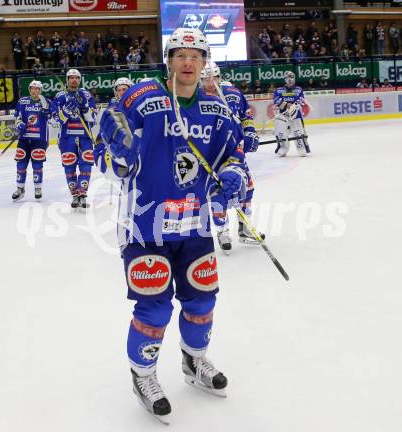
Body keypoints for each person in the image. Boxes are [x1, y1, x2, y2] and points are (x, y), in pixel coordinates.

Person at [98, 27, 246, 422]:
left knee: (202, 301)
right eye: (180, 55)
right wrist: (118, 157)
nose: (188, 62)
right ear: (168, 60)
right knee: (154, 307)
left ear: (205, 62)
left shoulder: (217, 111)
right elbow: (105, 153)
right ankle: (143, 376)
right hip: (145, 226)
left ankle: (194, 360)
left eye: (195, 56)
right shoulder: (141, 98)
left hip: (195, 226)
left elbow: (233, 154)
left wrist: (233, 175)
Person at [200, 61, 262, 252]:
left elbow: (245, 116)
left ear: (220, 77)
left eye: (214, 78)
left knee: (247, 187)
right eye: (206, 79)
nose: (211, 83)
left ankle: (245, 228)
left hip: (235, 151)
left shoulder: (233, 93)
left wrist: (250, 132)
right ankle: (222, 230)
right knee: (218, 192)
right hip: (211, 155)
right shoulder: (195, 98)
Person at [51, 69, 97, 210]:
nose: (74, 80)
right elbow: (55, 120)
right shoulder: (60, 96)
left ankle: (82, 193)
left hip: (85, 136)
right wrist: (66, 111)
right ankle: (74, 195)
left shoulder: (86, 95)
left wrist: (85, 107)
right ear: (67, 80)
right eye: (71, 77)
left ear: (80, 80)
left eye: (77, 77)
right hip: (67, 137)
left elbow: (93, 118)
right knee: (69, 166)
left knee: (86, 164)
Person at [12, 80, 51, 201]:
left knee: (37, 165)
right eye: (33, 88)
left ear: (40, 90)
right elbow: (17, 117)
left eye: (37, 89)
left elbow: (50, 115)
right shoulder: (22, 101)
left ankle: (38, 188)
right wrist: (19, 124)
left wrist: (45, 107)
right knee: (21, 164)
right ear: (29, 90)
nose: (35, 91)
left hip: (39, 139)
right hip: (24, 138)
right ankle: (20, 189)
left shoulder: (46, 102)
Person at [94, 77, 133, 174]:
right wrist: (100, 144)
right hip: (122, 151)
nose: (121, 92)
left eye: (124, 89)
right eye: (119, 90)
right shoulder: (112, 107)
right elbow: (105, 129)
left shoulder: (137, 104)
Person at [273, 71, 307, 157]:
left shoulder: (299, 89)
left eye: (292, 77)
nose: (290, 79)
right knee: (281, 133)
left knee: (297, 132)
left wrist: (294, 105)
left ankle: (301, 148)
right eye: (289, 77)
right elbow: (276, 100)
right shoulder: (278, 90)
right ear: (285, 79)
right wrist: (286, 104)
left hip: (296, 115)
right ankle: (283, 148)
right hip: (283, 116)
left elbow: (302, 100)